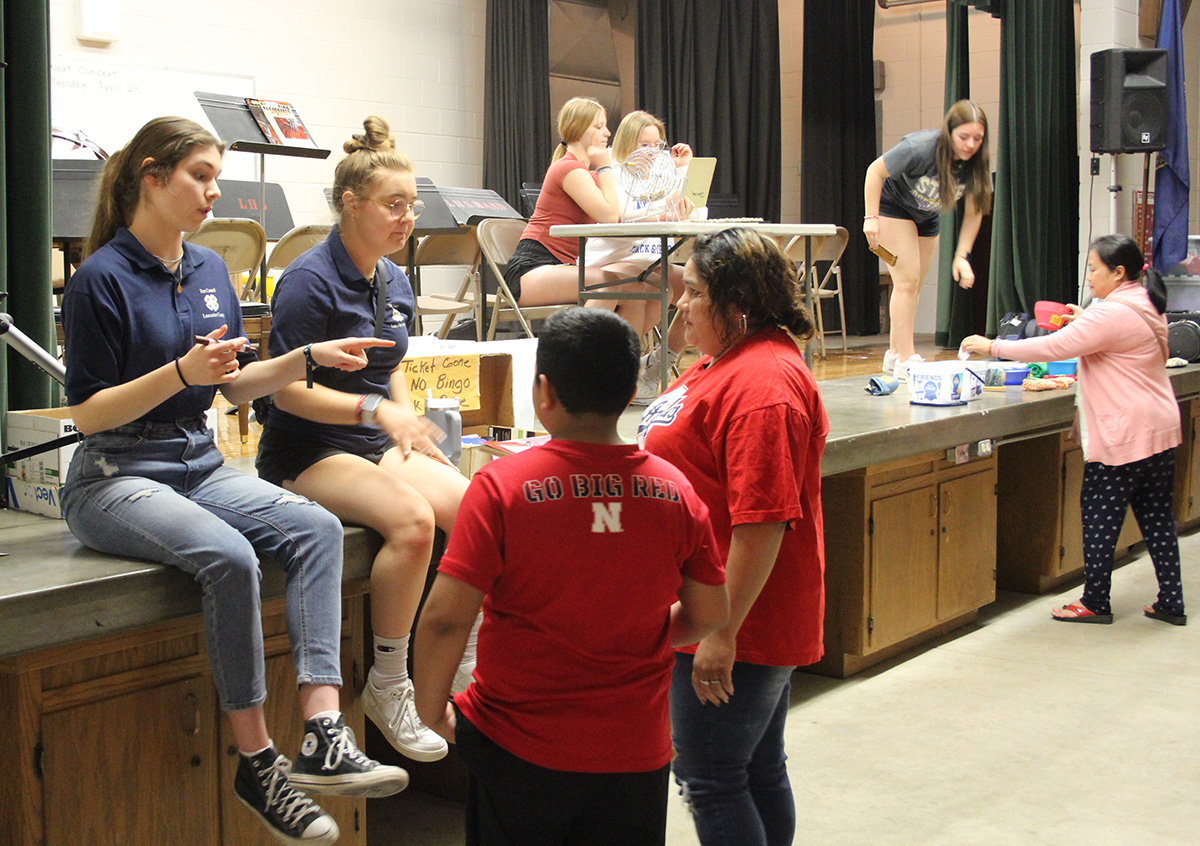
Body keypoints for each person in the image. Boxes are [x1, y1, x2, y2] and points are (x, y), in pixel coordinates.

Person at [60, 116, 408, 846]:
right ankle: (256, 759)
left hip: (196, 460)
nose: (215, 192)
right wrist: (182, 372)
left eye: (217, 177)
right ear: (152, 177)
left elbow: (233, 389)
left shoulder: (209, 269)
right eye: (201, 177)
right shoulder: (100, 278)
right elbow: (89, 416)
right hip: (114, 473)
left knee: (314, 527)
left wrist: (305, 357)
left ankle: (321, 730)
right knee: (230, 557)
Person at [412, 307, 730, 846]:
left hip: (519, 745)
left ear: (544, 392)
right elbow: (710, 613)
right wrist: (634, 638)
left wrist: (430, 708)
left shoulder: (502, 488)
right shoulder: (676, 491)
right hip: (635, 751)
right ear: (631, 391)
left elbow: (446, 619)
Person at [256, 116, 472, 764]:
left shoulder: (392, 278)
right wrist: (376, 413)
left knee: (480, 513)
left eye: (412, 205)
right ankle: (388, 682)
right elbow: (281, 392)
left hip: (372, 438)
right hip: (307, 452)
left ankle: (460, 674)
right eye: (393, 204)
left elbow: (392, 363)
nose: (407, 217)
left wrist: (409, 429)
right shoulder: (307, 279)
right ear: (351, 204)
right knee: (411, 523)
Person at [637, 228, 829, 846]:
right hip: (718, 609)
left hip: (739, 619)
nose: (680, 304)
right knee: (754, 768)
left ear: (735, 303)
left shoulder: (763, 386)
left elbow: (764, 521)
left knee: (711, 777)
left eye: (693, 292)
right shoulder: (729, 358)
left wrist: (723, 632)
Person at [961, 234, 1186, 626]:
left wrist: (993, 346)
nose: (1091, 277)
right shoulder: (1146, 303)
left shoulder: (1111, 314)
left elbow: (1054, 348)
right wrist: (1086, 320)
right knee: (1157, 518)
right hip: (1160, 427)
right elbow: (1112, 340)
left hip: (1126, 433)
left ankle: (1095, 602)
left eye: (1095, 269)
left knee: (1099, 515)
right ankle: (1172, 601)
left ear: (1118, 273)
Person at [504, 97, 664, 338]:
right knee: (609, 282)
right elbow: (610, 216)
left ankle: (624, 367)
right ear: (578, 129)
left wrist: (603, 170)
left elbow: (618, 213)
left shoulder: (588, 174)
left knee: (637, 289)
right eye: (599, 127)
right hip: (531, 269)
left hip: (562, 267)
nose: (607, 133)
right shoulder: (569, 169)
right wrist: (605, 166)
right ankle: (582, 360)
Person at [864, 99, 993, 383]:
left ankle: (894, 355)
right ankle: (907, 358)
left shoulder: (976, 165)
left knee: (914, 287)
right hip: (892, 208)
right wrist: (870, 217)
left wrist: (961, 256)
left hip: (927, 216)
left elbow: (974, 212)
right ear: (949, 132)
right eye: (964, 137)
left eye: (977, 138)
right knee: (906, 283)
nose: (971, 144)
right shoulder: (920, 148)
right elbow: (874, 171)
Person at [604, 109, 695, 404]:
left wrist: (681, 170)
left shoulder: (657, 175)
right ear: (627, 144)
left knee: (696, 286)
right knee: (653, 286)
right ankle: (622, 370)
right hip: (614, 256)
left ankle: (657, 366)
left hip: (646, 258)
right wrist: (665, 208)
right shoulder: (612, 171)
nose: (652, 153)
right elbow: (624, 216)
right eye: (644, 145)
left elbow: (671, 203)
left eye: (657, 146)